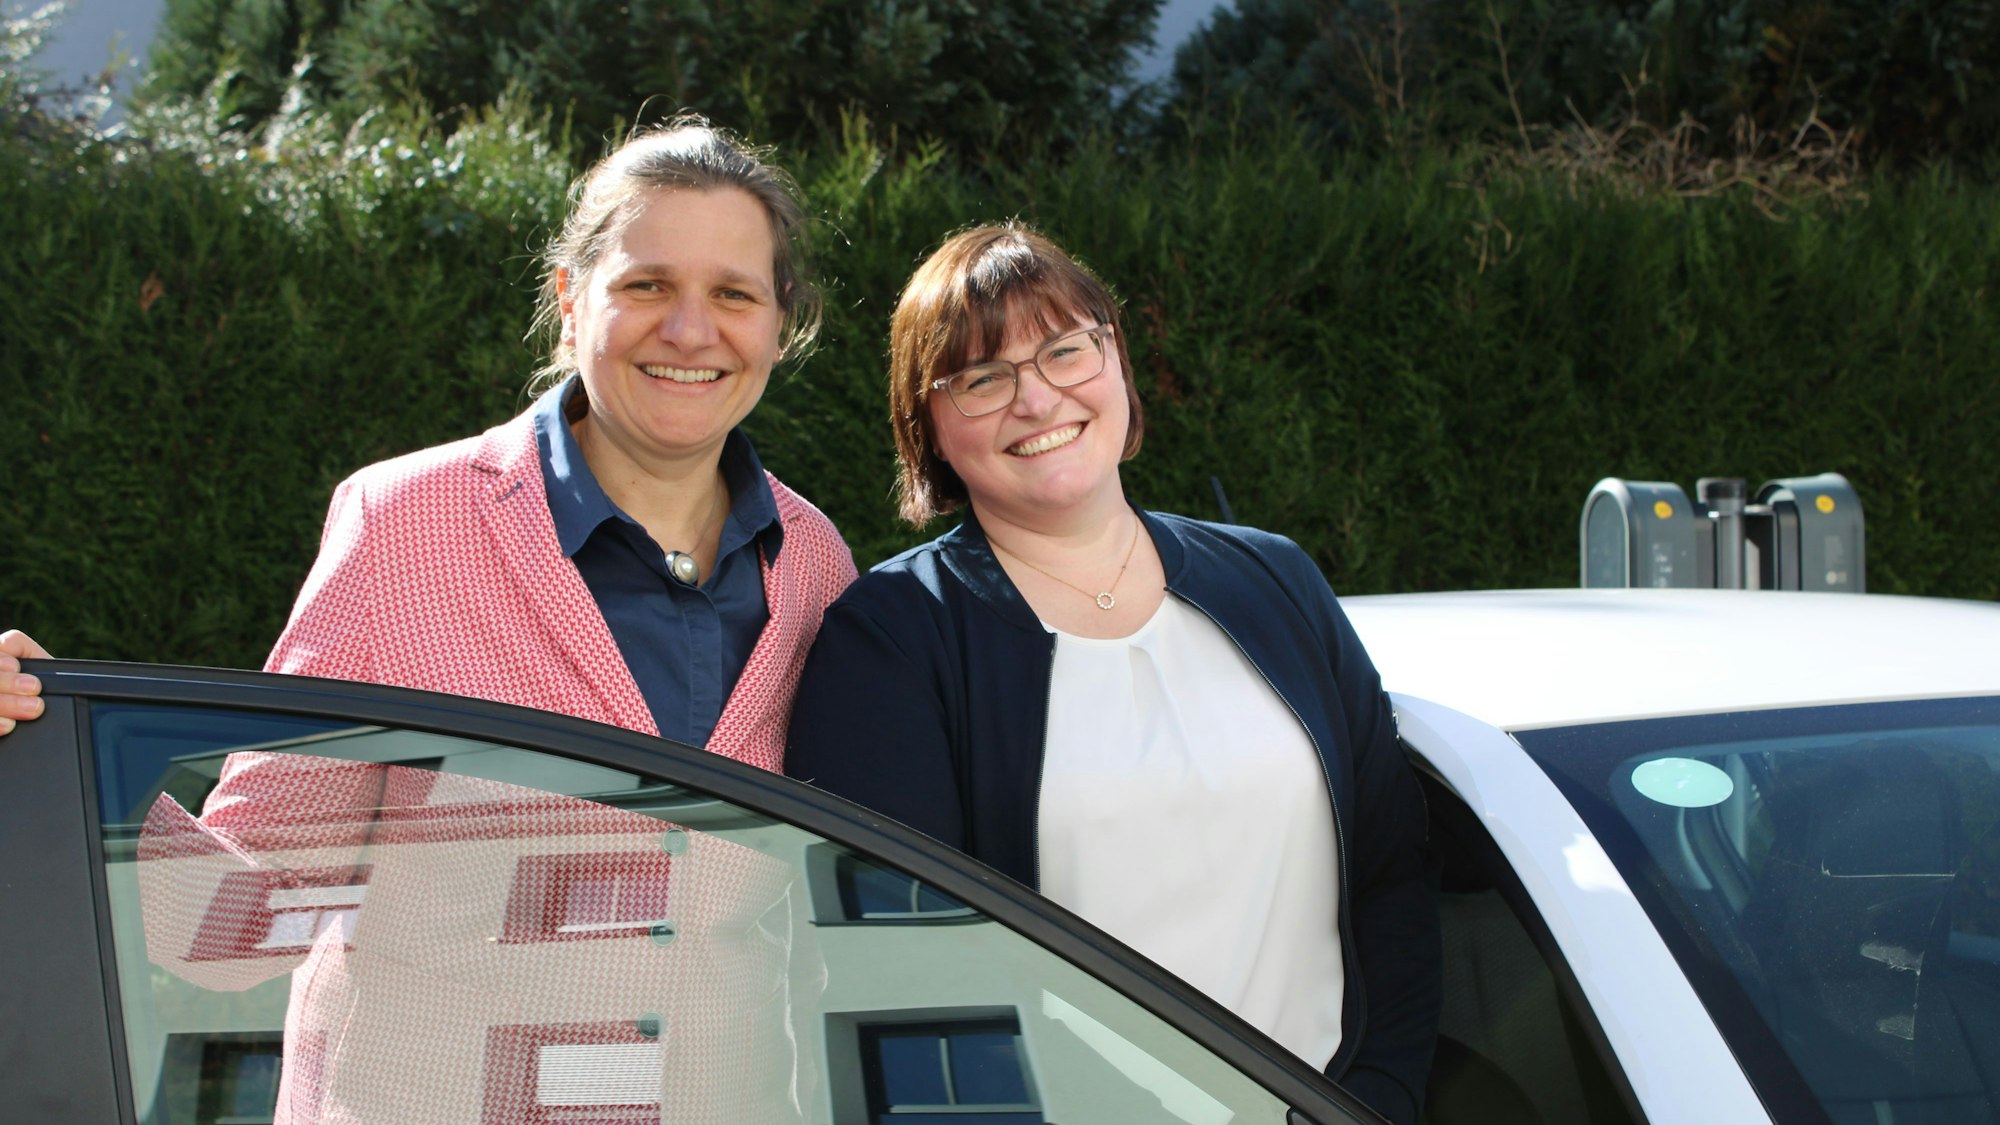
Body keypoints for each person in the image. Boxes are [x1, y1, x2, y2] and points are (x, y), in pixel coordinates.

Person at [785, 222, 1441, 1123]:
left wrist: (1376, 1100)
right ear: (928, 427)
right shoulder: (891, 642)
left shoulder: (1278, 581)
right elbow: (899, 973)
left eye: (1065, 350)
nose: (1038, 397)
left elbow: (1392, 877)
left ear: (1117, 363)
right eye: (982, 377)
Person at [0, 118, 857, 764]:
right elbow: (238, 901)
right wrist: (38, 747)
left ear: (781, 324)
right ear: (569, 298)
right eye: (648, 283)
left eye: (735, 296)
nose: (688, 329)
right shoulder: (402, 524)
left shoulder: (814, 563)